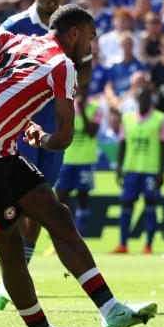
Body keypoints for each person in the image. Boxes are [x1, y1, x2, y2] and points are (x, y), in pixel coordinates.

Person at [0, 4, 157, 327]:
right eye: (90, 38)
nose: (91, 46)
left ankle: (111, 309)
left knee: (57, 215)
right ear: (74, 33)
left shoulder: (19, 41)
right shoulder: (62, 65)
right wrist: (44, 138)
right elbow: (65, 137)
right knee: (10, 245)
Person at [0, 0, 68, 312]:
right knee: (21, 204)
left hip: (52, 130)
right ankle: (10, 276)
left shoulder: (71, 29)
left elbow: (85, 67)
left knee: (42, 205)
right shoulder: (15, 26)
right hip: (20, 130)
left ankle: (14, 277)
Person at [114, 88, 164, 255]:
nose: (144, 102)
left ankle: (148, 245)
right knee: (126, 204)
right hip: (131, 168)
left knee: (150, 205)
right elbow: (122, 145)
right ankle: (123, 244)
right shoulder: (127, 118)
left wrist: (161, 171)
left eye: (147, 99)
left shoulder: (160, 119)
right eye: (141, 99)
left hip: (150, 170)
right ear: (137, 101)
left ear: (151, 101)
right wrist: (119, 168)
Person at [55, 90, 103, 234]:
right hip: (66, 159)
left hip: (85, 160)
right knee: (61, 197)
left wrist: (82, 110)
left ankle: (80, 233)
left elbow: (91, 132)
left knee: (83, 198)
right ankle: (61, 233)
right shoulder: (65, 106)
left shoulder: (96, 107)